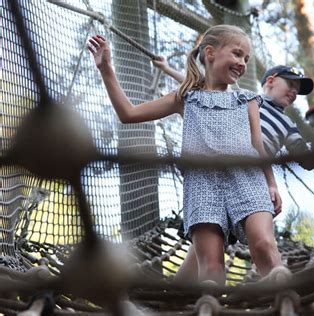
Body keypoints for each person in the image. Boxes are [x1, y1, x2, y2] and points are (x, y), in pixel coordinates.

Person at [88, 25, 284, 285]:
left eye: (246, 58)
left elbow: (259, 147)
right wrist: (106, 69)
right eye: (237, 54)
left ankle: (288, 301)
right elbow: (128, 114)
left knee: (263, 244)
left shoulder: (246, 100)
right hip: (202, 186)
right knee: (211, 270)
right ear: (211, 52)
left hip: (247, 178)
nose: (242, 63)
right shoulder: (186, 98)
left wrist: (271, 183)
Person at [156, 59, 314, 283]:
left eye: (298, 90)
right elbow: (198, 89)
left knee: (255, 243)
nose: (294, 92)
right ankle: (173, 300)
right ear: (270, 80)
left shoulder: (286, 123)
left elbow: (306, 161)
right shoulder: (243, 98)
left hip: (249, 188)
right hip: (215, 181)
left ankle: (280, 290)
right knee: (204, 254)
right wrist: (167, 69)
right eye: (290, 84)